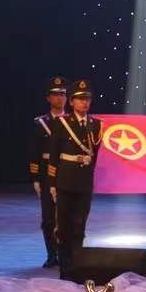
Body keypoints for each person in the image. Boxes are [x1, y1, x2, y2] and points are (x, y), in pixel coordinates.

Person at [47, 80, 102, 272]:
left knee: (80, 225)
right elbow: (53, 156)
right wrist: (52, 183)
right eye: (80, 99)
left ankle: (78, 264)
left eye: (87, 99)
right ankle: (65, 267)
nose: (84, 102)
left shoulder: (96, 125)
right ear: (71, 102)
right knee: (64, 227)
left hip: (84, 182)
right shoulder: (61, 123)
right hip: (65, 181)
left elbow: (94, 156)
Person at [30, 76, 68, 268]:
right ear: (48, 98)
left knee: (68, 217)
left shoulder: (72, 122)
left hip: (67, 172)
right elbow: (34, 152)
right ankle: (52, 255)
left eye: (62, 94)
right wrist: (36, 178)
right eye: (55, 94)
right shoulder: (40, 123)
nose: (59, 98)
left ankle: (68, 254)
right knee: (48, 218)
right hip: (46, 174)